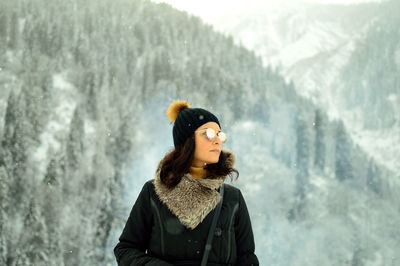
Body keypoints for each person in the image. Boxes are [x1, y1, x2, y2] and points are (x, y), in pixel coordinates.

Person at [114, 100, 259, 266]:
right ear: (187, 141)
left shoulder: (233, 198)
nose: (218, 140)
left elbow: (248, 259)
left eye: (220, 134)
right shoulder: (153, 193)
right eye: (209, 133)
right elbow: (126, 250)